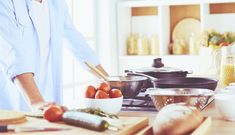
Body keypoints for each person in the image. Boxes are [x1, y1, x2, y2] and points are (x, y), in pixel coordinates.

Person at [0, 0, 108, 111]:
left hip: (45, 99)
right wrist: (37, 101)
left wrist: (108, 81)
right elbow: (14, 55)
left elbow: (78, 44)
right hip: (15, 100)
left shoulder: (56, 3)